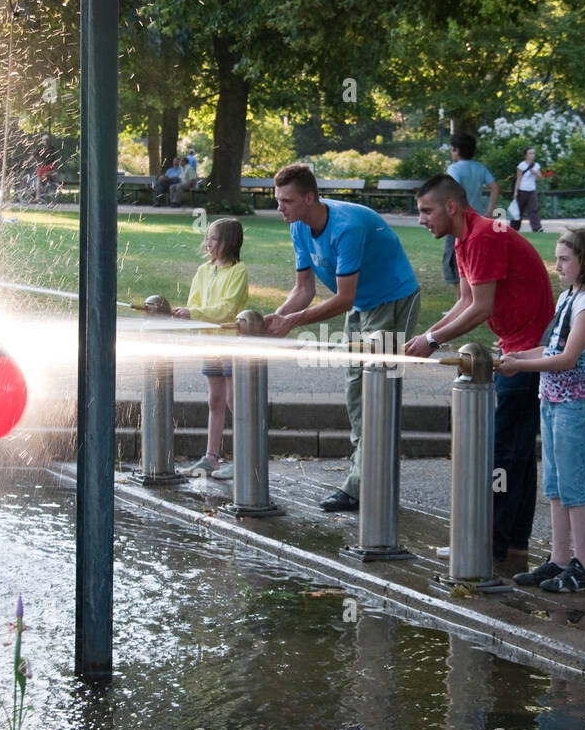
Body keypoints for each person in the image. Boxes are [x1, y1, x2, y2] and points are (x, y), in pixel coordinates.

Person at [404, 174, 554, 566]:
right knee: (515, 451)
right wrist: (427, 335)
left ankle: (487, 546)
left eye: (426, 210)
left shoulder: (484, 236)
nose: (421, 219)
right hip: (517, 345)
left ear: (451, 207)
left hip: (528, 348)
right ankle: (510, 545)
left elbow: (481, 308)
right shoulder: (464, 238)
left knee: (503, 451)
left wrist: (433, 343)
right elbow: (466, 301)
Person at [264, 163, 421, 512]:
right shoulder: (300, 226)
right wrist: (278, 316)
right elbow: (303, 290)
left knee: (377, 389)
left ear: (309, 197)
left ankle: (362, 486)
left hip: (394, 299)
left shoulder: (345, 227)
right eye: (278, 201)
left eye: (286, 201)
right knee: (355, 390)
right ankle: (368, 478)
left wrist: (293, 322)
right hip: (362, 305)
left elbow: (343, 298)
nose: (280, 208)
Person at [500, 227, 585, 593]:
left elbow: (567, 359)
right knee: (555, 485)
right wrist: (515, 356)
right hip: (552, 400)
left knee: (573, 486)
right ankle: (560, 558)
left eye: (564, 259)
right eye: (557, 258)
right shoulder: (569, 297)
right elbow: (548, 349)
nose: (557, 266)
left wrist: (519, 366)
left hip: (575, 404)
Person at [172, 218, 249, 480]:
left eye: (214, 238)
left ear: (230, 242)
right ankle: (211, 458)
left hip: (230, 343)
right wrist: (186, 314)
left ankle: (245, 457)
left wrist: (194, 313)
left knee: (232, 400)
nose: (209, 243)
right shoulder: (203, 271)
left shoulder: (238, 272)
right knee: (214, 400)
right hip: (210, 344)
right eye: (208, 237)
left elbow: (228, 309)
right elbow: (194, 302)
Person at [443, 133, 499, 300]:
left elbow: (453, 191)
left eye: (452, 149)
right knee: (474, 259)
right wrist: (490, 210)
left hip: (459, 221)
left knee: (454, 259)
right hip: (479, 221)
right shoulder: (480, 167)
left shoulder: (454, 169)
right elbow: (495, 187)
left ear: (456, 150)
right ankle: (473, 299)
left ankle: (462, 300)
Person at [511, 146, 544, 233]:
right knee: (519, 210)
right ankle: (514, 228)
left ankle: (537, 227)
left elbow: (540, 177)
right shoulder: (522, 165)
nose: (532, 155)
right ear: (526, 155)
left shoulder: (536, 165)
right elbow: (518, 178)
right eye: (530, 153)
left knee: (534, 209)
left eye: (533, 153)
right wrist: (515, 191)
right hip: (522, 190)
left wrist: (535, 172)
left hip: (532, 190)